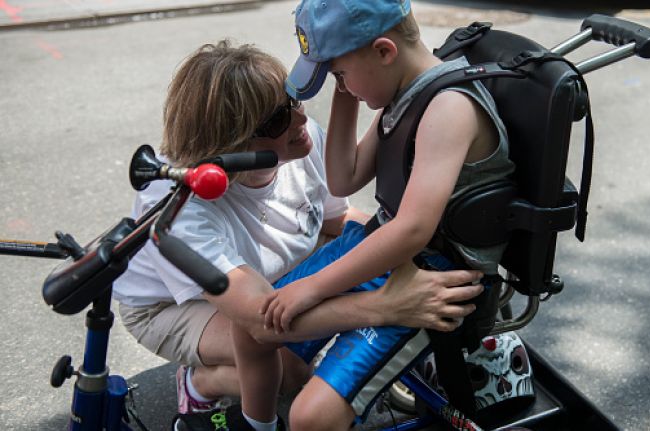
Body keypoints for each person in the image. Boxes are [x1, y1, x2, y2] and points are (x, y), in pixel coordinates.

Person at [112, 40, 483, 431]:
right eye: (275, 121)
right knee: (286, 370)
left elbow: (337, 221)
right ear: (230, 142)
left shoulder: (300, 143)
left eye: (293, 100)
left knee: (302, 326)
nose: (300, 121)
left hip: (262, 273)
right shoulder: (182, 203)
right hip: (172, 305)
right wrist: (388, 306)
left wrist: (409, 247)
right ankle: (202, 382)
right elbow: (257, 323)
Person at [257, 0, 517, 427]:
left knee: (311, 416)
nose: (342, 85)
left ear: (383, 51)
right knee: (270, 335)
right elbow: (343, 178)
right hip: (386, 248)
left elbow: (413, 229)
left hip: (431, 277)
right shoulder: (406, 96)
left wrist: (314, 287)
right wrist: (346, 93)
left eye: (339, 75)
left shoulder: (448, 108)